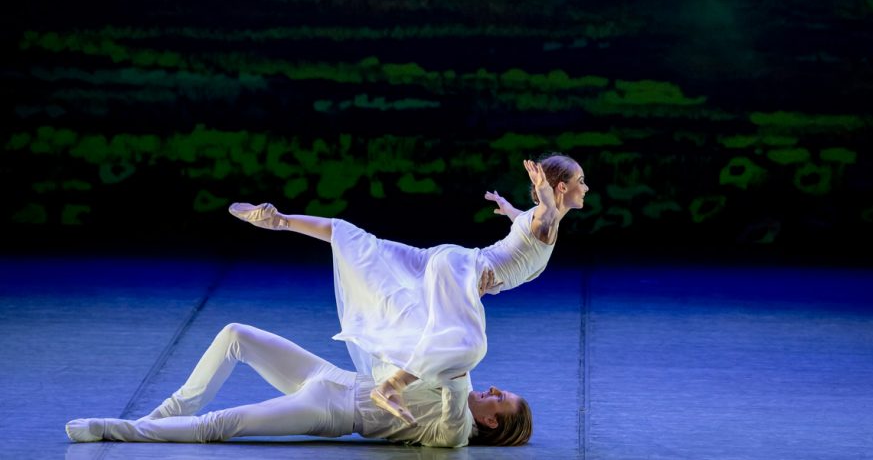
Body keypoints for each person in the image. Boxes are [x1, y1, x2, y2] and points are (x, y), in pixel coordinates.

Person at [225, 155, 587, 424]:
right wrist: (543, 194)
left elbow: (524, 221)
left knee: (369, 247)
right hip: (467, 272)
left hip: (450, 260)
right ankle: (391, 387)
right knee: (465, 343)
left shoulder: (536, 220)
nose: (584, 188)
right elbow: (546, 212)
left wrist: (507, 206)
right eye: (580, 181)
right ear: (561, 188)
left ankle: (281, 220)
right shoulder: (546, 220)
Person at [65, 322, 531, 447]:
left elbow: (457, 372)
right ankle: (164, 416)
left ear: (492, 423)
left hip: (331, 412)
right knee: (236, 335)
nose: (493, 390)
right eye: (500, 390)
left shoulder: (455, 432)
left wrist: (465, 320)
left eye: (500, 399)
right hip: (333, 378)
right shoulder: (457, 390)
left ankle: (112, 429)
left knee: (220, 425)